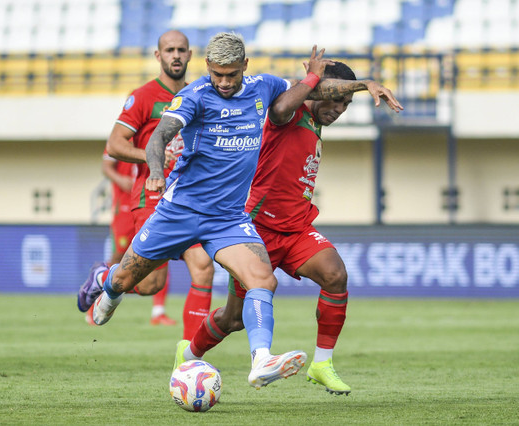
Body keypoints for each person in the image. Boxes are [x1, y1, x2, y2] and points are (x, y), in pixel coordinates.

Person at [88, 33, 345, 389]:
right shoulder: (193, 96)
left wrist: (356, 83)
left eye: (231, 75)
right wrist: (157, 173)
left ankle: (261, 360)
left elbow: (307, 94)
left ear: (245, 67)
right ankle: (106, 284)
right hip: (178, 211)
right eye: (217, 74)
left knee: (262, 280)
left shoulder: (264, 87)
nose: (224, 83)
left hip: (227, 218)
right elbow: (158, 138)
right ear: (207, 67)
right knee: (128, 280)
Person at [173, 61, 403, 394]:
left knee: (335, 274)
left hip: (295, 229)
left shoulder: (315, 120)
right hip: (255, 229)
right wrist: (362, 83)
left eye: (346, 105)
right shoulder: (291, 110)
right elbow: (279, 109)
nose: (339, 109)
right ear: (318, 90)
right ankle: (189, 353)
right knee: (233, 319)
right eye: (336, 99)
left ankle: (322, 363)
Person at [78, 30, 214, 340]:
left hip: (190, 198)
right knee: (150, 283)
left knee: (203, 266)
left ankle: (190, 356)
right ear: (158, 56)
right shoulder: (143, 97)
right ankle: (103, 276)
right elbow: (114, 145)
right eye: (169, 50)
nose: (176, 55)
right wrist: (151, 155)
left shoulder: (198, 94)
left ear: (191, 55)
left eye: (181, 49)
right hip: (152, 196)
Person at [93, 150, 176, 326]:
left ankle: (158, 311)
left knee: (160, 255)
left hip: (152, 202)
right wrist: (120, 179)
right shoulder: (123, 136)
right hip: (124, 205)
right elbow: (106, 167)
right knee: (119, 257)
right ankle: (99, 286)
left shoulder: (164, 134)